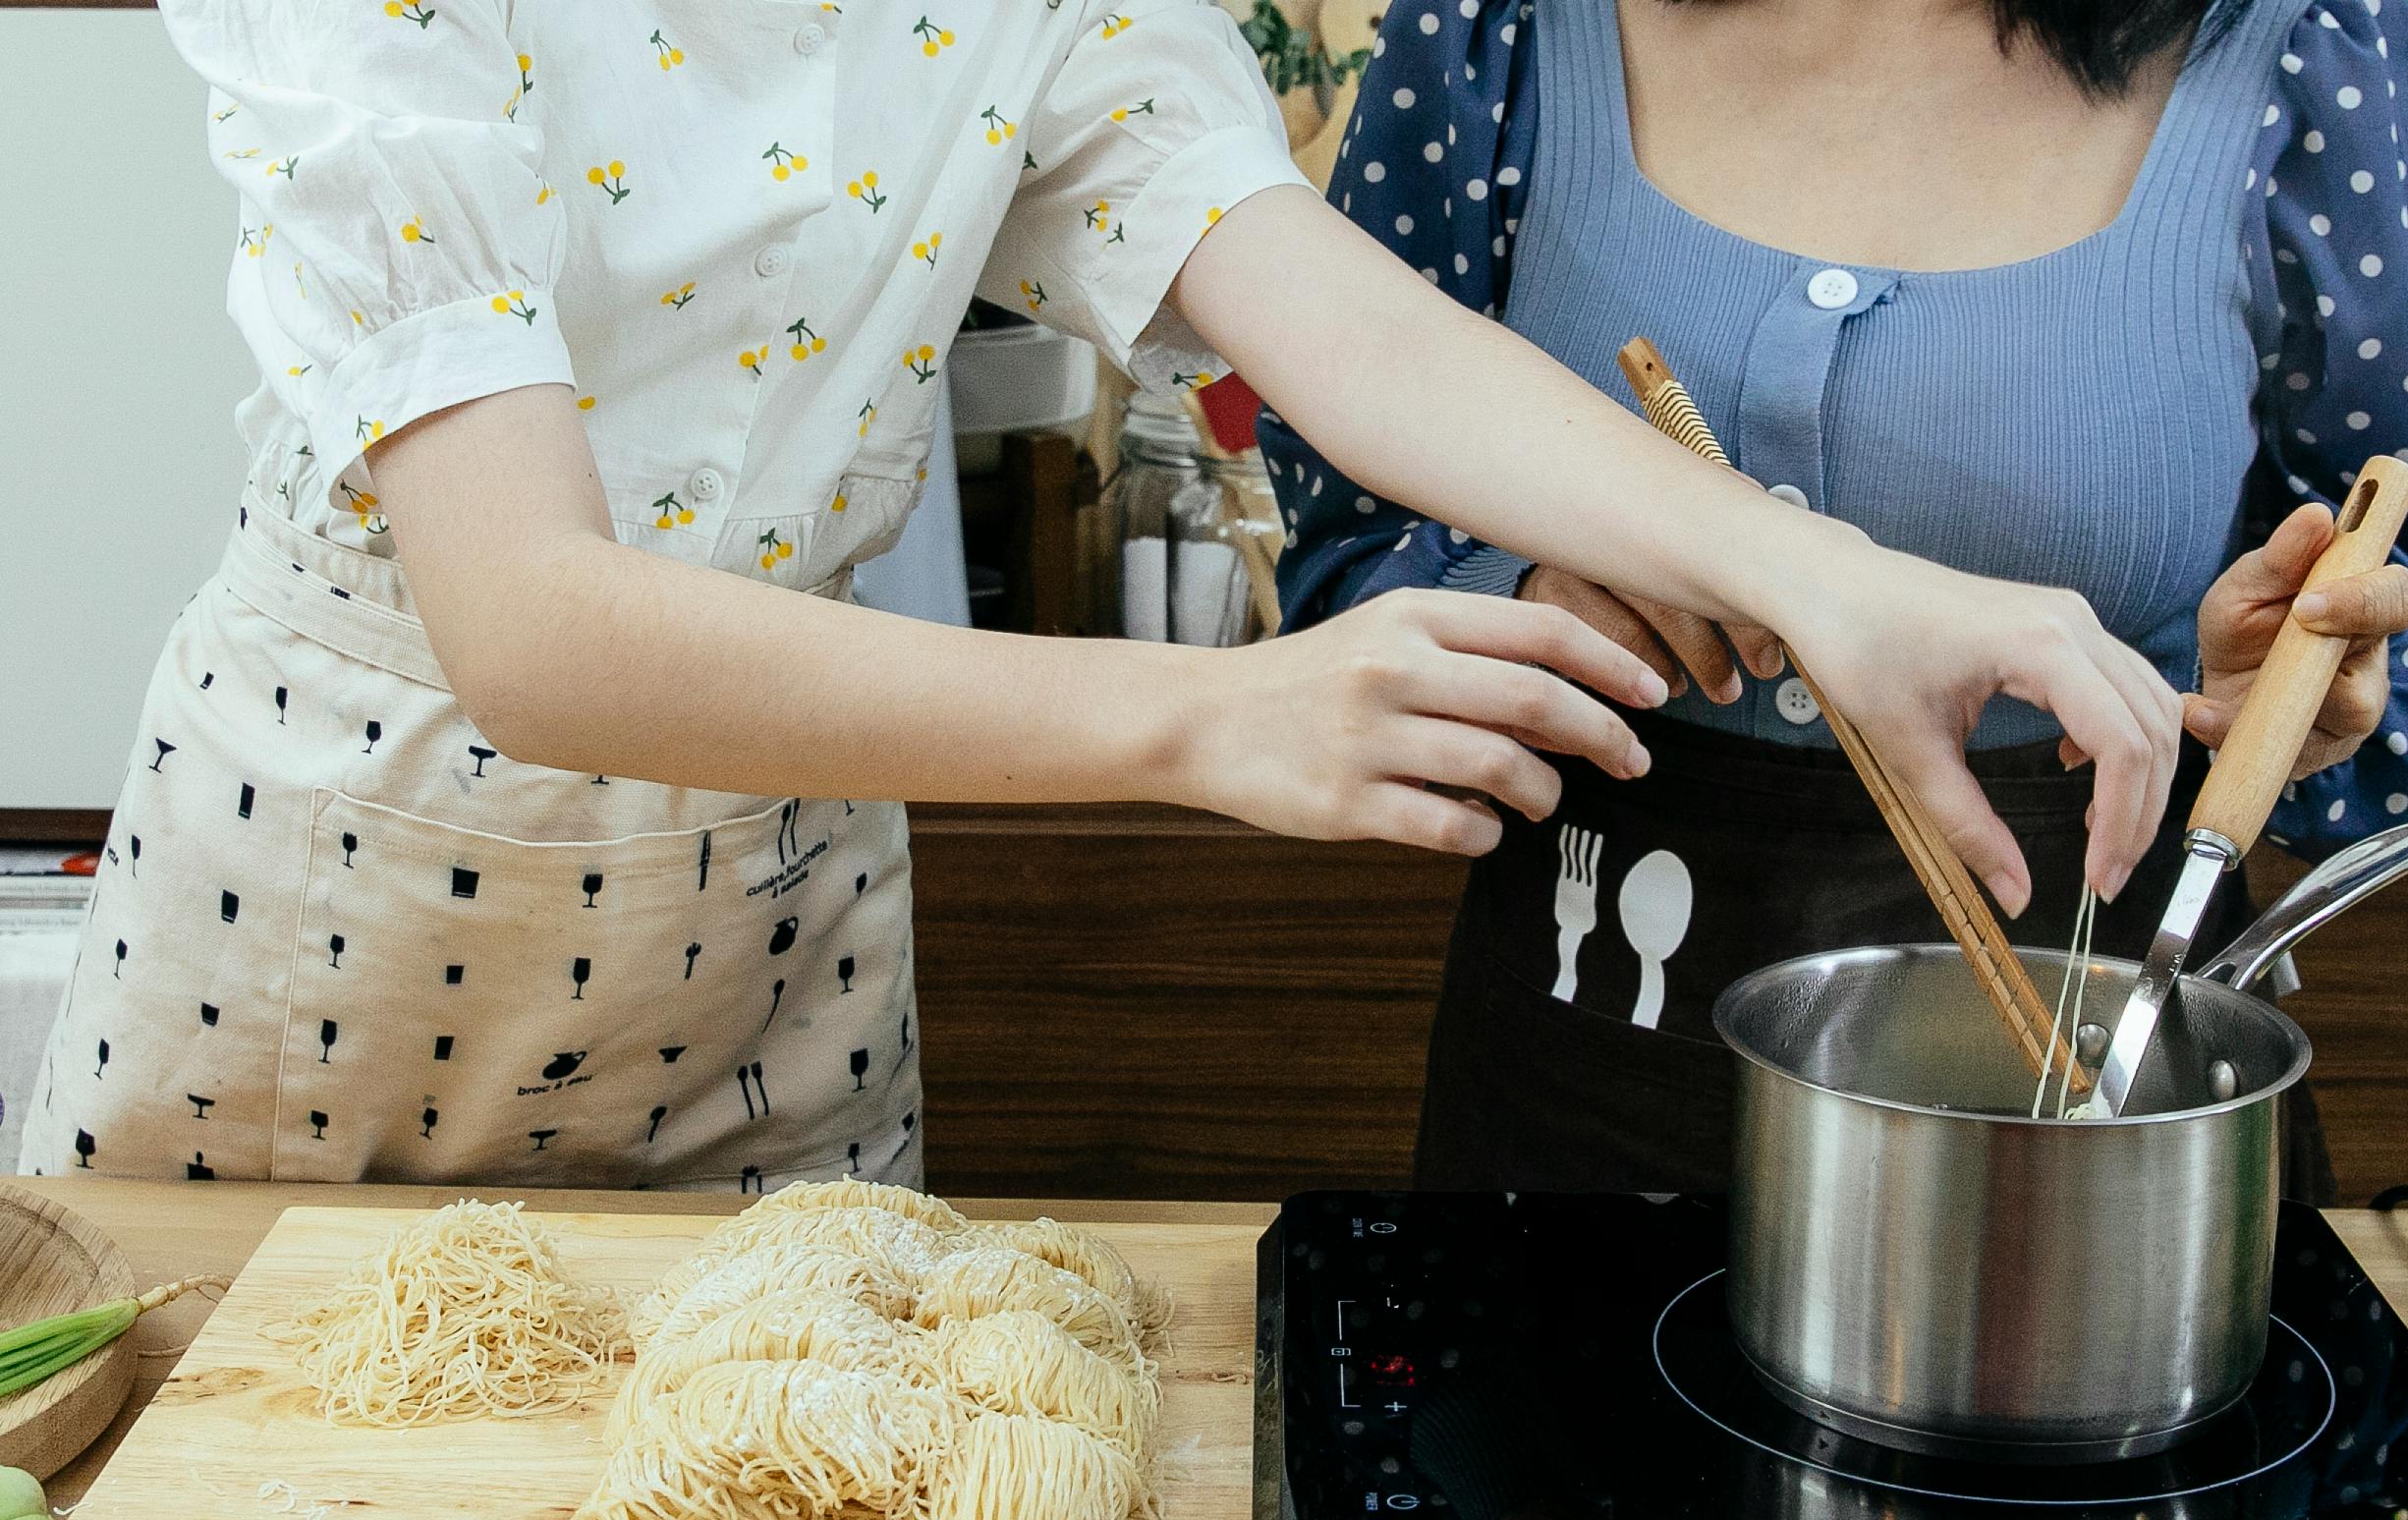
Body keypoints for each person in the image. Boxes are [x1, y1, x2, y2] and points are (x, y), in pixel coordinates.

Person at [22, 0, 2192, 1193]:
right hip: (344, 912)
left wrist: (1835, 585)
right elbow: (535, 625)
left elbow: (1345, 326)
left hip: (775, 927)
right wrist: (1209, 721)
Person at [1266, 0, 2408, 1194]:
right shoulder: (1501, 31)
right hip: (1579, 1042)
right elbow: (1345, 547)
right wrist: (1522, 600)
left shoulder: (2314, 57)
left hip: (2085, 1103)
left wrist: (2279, 696)